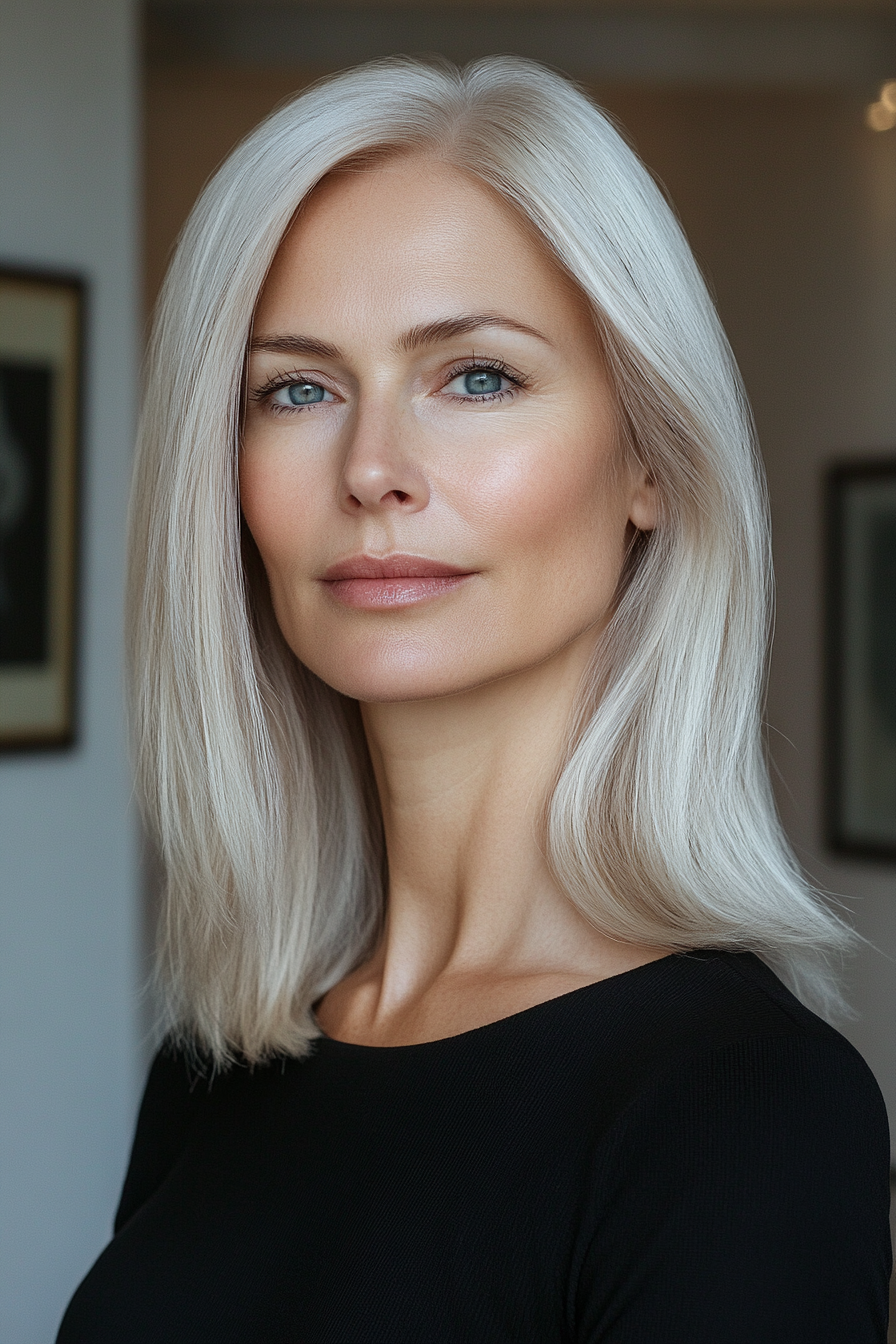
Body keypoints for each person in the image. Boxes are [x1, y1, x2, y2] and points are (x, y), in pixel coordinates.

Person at [57, 56, 890, 1342]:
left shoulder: (741, 1106)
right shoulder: (222, 1059)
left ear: (649, 462)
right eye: (297, 390)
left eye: (476, 377)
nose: (373, 467)